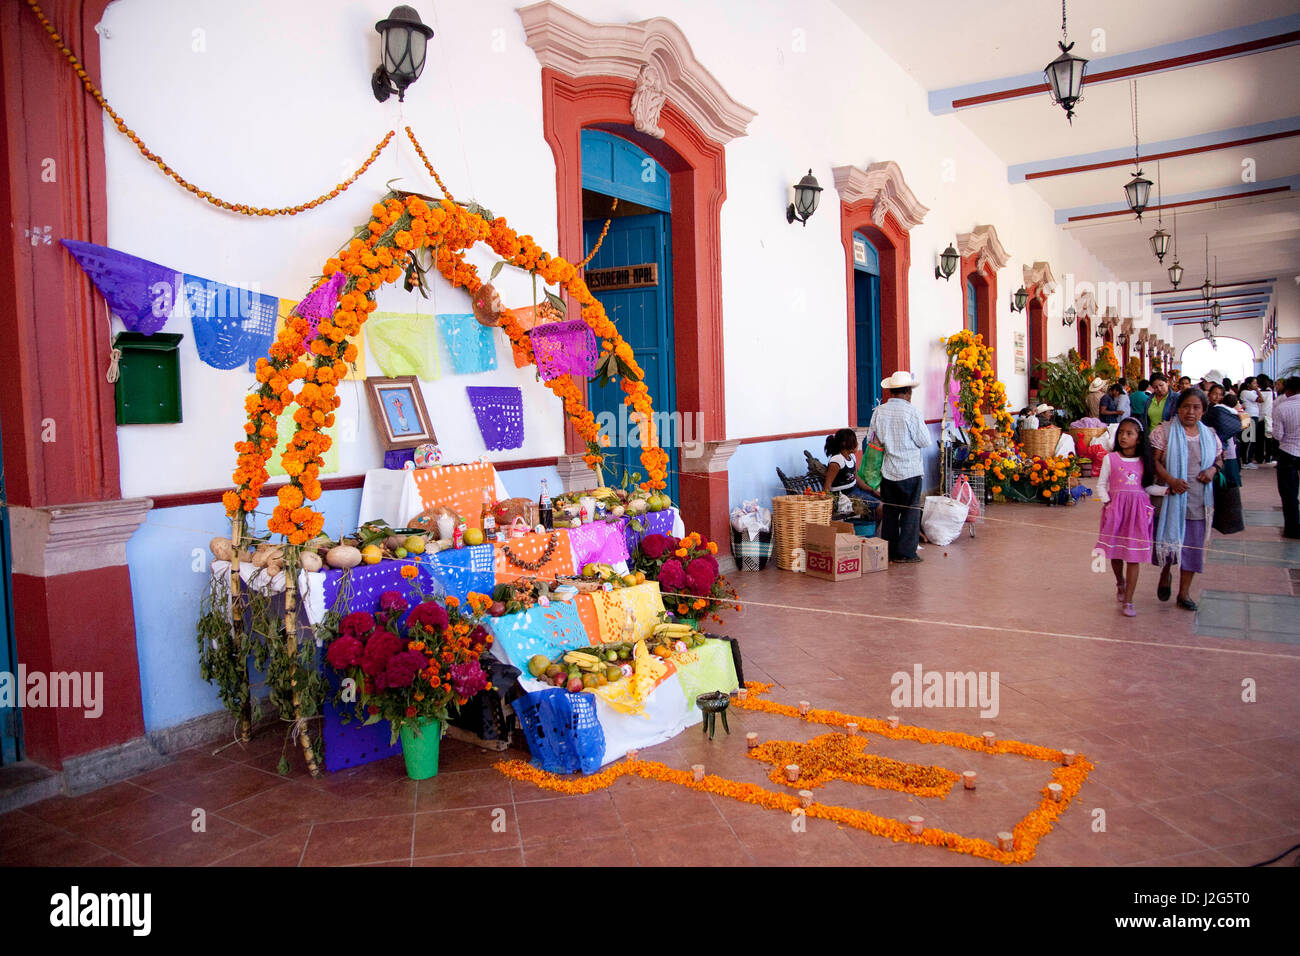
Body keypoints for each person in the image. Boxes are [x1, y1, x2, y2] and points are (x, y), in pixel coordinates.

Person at [1150, 389, 1224, 611]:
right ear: (1178, 408)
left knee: (1192, 547)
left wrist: (1212, 470)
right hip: (1171, 497)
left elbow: (1220, 458)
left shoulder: (1210, 434)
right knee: (1170, 541)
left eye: (1196, 407)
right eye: (1186, 407)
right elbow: (1154, 462)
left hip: (1198, 499)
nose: (1190, 412)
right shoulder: (1164, 432)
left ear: (1203, 411)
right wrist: (1171, 480)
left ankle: (1184, 593)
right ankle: (1165, 572)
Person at [869, 371, 932, 564]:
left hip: (888, 472)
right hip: (910, 471)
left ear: (891, 392)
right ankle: (906, 553)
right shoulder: (912, 412)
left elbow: (872, 440)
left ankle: (890, 551)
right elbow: (924, 441)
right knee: (910, 513)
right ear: (908, 393)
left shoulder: (879, 411)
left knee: (890, 513)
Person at [1096, 418, 1156, 618]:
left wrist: (1168, 490)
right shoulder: (1110, 458)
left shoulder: (1144, 461)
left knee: (1133, 557)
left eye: (1129, 433)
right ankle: (1120, 582)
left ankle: (1129, 600)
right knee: (1115, 554)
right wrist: (1108, 502)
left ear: (1139, 439)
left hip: (1137, 515)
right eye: (1121, 432)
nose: (1123, 436)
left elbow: (1148, 487)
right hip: (1115, 513)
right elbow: (1101, 485)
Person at [822, 428, 880, 519]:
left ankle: (872, 531)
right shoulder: (837, 460)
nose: (857, 444)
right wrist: (829, 503)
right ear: (844, 444)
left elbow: (856, 478)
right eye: (854, 441)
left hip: (854, 491)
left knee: (880, 501)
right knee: (879, 506)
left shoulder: (851, 457)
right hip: (844, 496)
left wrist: (872, 490)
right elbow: (827, 485)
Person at [1272, 376, 1300, 540]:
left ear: (1287, 390)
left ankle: (1292, 529)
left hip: (1288, 453)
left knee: (1289, 494)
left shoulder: (1281, 408)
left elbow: (1278, 435)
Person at [1204, 383, 1244, 489]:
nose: (1217, 397)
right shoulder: (1206, 408)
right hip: (1209, 443)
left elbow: (1233, 425)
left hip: (1225, 444)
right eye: (1214, 394)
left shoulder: (1222, 409)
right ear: (1209, 394)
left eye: (1220, 395)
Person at [1239, 376, 1262, 468]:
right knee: (1248, 439)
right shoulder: (1246, 392)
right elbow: (1261, 399)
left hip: (1249, 416)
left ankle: (1246, 459)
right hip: (1249, 416)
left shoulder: (1247, 392)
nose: (1256, 385)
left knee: (1248, 438)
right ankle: (1246, 461)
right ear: (1248, 384)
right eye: (1254, 383)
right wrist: (1257, 390)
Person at [1258, 374, 1276, 465]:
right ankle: (1268, 457)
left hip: (1259, 417)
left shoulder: (1258, 393)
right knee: (1268, 438)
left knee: (1259, 439)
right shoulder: (1271, 392)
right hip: (1268, 417)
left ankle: (1260, 457)